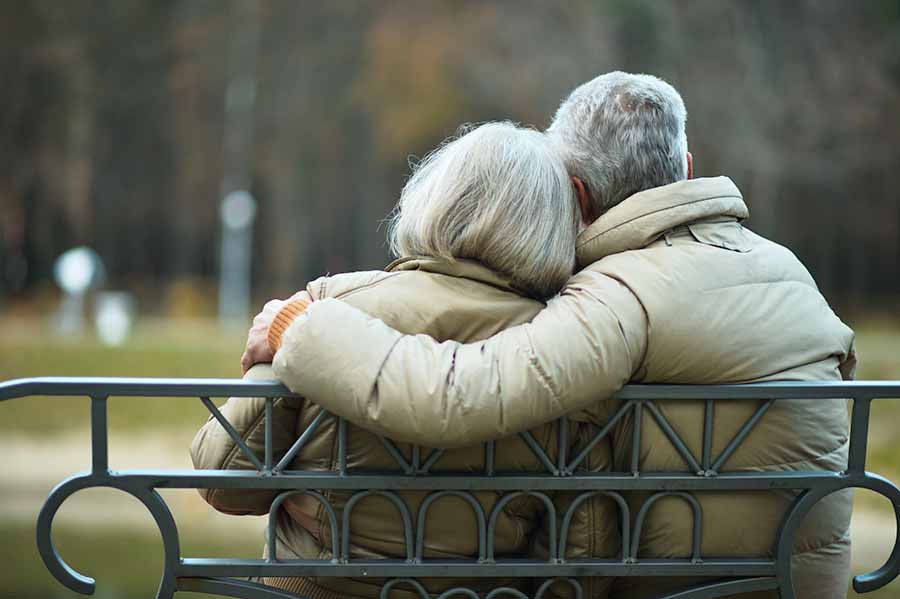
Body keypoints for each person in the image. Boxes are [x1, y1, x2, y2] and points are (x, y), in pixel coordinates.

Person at [244, 72, 857, 599]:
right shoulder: (789, 271)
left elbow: (451, 397)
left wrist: (298, 325)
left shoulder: (621, 297)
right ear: (687, 169)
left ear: (577, 196)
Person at [191, 121, 612, 599]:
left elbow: (224, 478)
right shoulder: (559, 343)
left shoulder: (325, 310)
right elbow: (583, 545)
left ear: (439, 198)